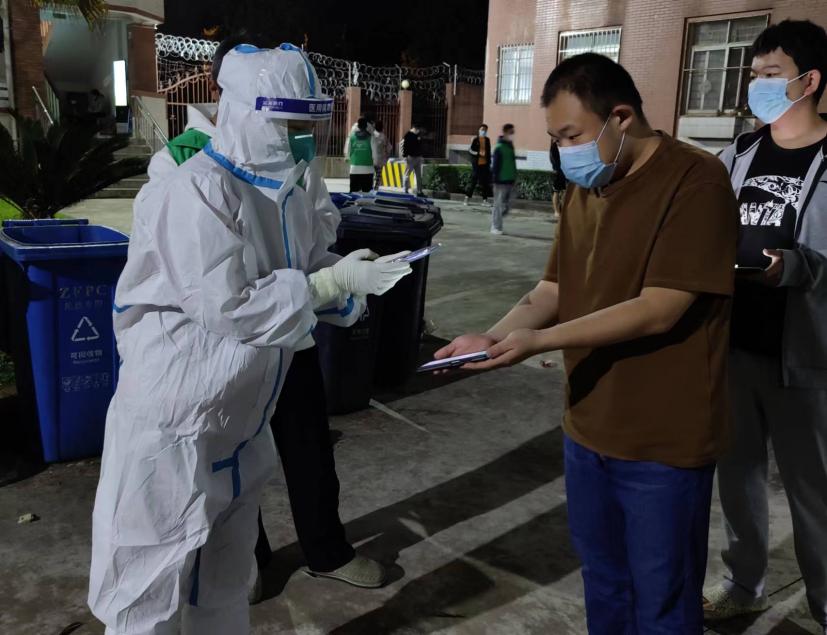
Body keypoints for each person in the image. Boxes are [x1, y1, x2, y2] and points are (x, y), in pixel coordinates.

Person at [87, 43, 412, 634]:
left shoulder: (286, 190)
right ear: (244, 113)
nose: (302, 139)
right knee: (148, 588)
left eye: (308, 125)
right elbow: (229, 303)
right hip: (175, 426)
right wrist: (326, 284)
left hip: (240, 420)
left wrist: (348, 282)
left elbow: (305, 269)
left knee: (224, 582)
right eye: (289, 124)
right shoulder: (195, 189)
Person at [434, 53, 738, 634]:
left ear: (620, 117)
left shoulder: (695, 180)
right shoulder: (585, 187)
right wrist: (494, 334)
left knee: (663, 601)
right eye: (556, 139)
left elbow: (660, 307)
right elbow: (553, 287)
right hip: (587, 427)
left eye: (572, 136)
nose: (565, 151)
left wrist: (539, 341)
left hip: (662, 442)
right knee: (604, 583)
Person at [703, 21, 827, 634]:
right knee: (738, 476)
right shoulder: (739, 155)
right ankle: (743, 585)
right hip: (737, 346)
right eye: (753, 75)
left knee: (815, 491)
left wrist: (798, 268)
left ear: (810, 81)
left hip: (808, 356)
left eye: (770, 75)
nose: (757, 86)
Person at [490, 123, 518, 235]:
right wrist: (494, 180)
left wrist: (515, 176)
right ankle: (495, 227)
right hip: (500, 181)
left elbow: (512, 163)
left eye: (513, 132)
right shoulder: (499, 147)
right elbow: (495, 166)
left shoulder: (510, 147)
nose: (513, 134)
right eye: (511, 132)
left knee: (509, 202)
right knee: (498, 204)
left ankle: (501, 214)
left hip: (510, 179)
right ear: (505, 132)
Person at [464, 123, 492, 205]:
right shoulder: (475, 139)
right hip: (476, 164)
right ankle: (467, 198)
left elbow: (489, 152)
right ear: (479, 130)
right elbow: (471, 150)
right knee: (473, 181)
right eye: (482, 129)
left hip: (485, 164)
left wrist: (489, 162)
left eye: (485, 130)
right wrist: (478, 153)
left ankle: (485, 201)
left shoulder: (487, 140)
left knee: (485, 183)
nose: (483, 131)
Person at [347, 117, 375, 192]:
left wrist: (348, 159)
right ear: (366, 126)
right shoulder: (371, 138)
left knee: (353, 193)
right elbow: (375, 153)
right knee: (367, 193)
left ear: (358, 126)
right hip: (368, 169)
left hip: (354, 169)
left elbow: (347, 151)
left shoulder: (351, 137)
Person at [401, 123, 424, 195]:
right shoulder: (408, 135)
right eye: (418, 129)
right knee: (408, 174)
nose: (419, 131)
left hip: (416, 157)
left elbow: (420, 146)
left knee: (418, 175)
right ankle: (406, 189)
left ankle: (419, 191)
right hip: (411, 157)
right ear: (415, 128)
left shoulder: (416, 135)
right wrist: (405, 156)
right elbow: (404, 146)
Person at [371, 120, 392, 189]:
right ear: (382, 127)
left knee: (371, 173)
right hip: (380, 159)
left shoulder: (371, 135)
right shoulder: (384, 137)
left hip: (371, 158)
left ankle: (370, 186)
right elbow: (389, 148)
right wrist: (387, 156)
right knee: (378, 175)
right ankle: (376, 187)